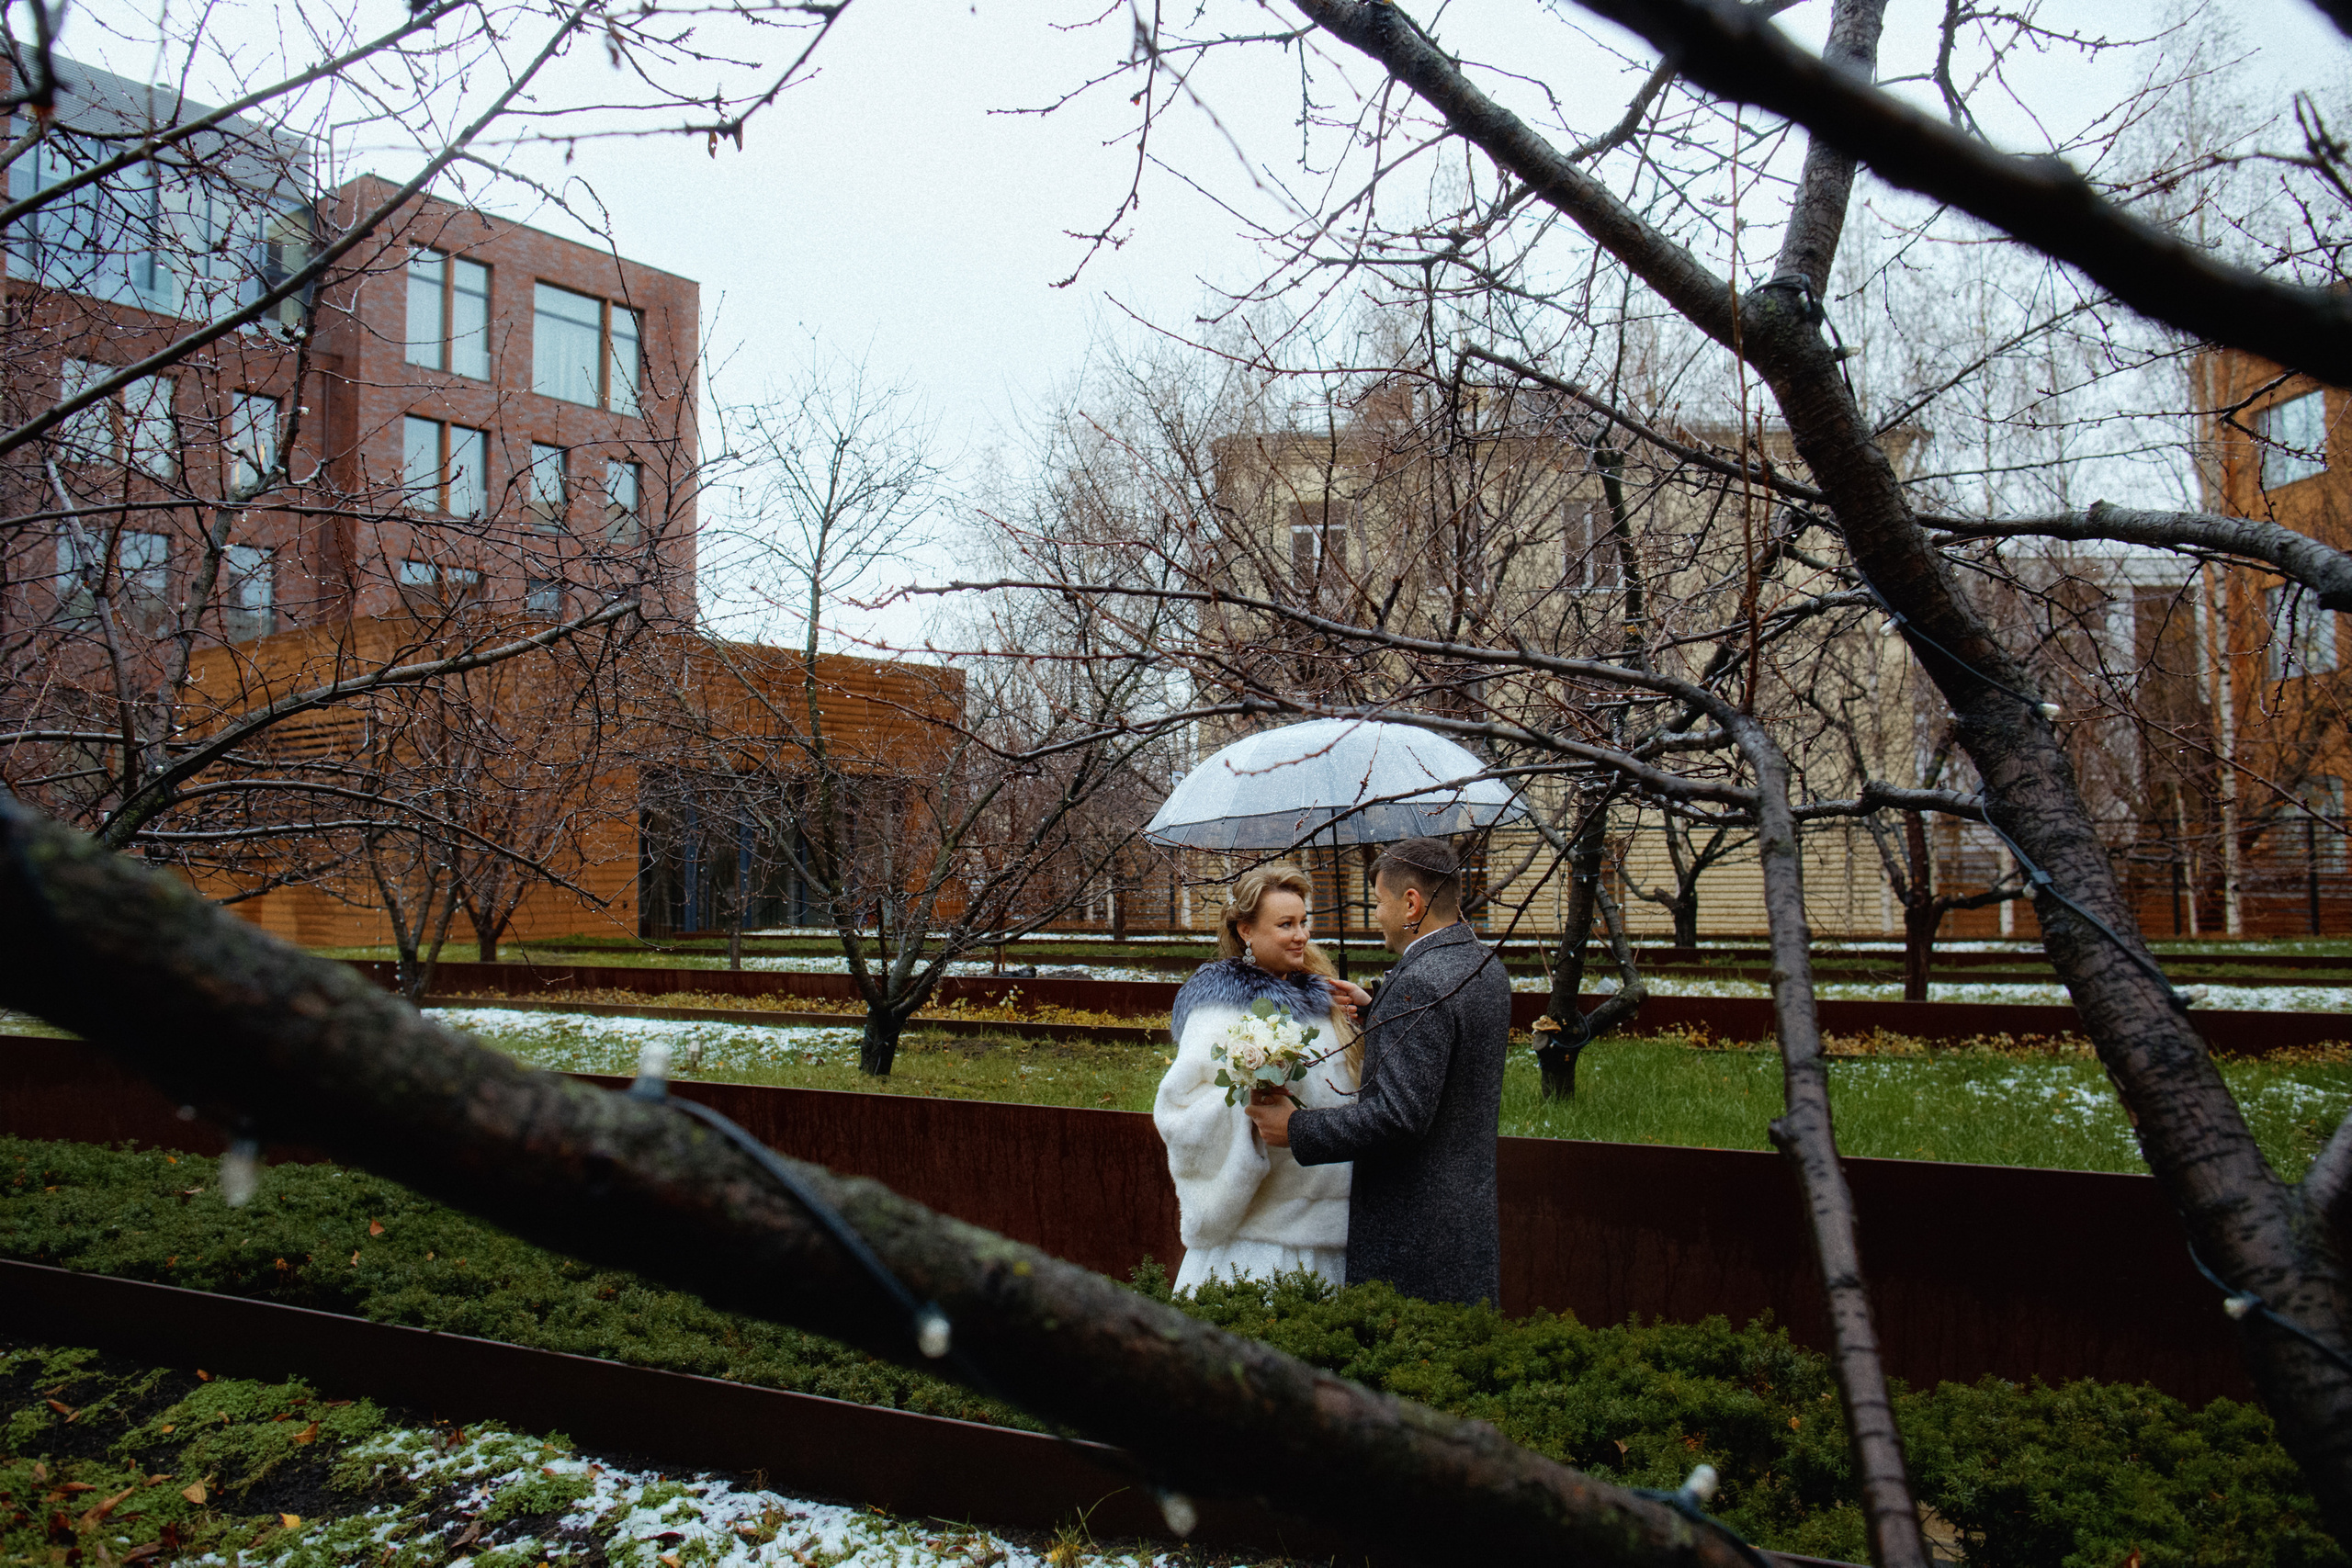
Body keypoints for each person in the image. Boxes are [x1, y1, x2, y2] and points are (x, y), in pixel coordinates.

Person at [1245, 837, 1510, 1306]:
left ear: (1411, 903)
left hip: (1413, 1232)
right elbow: (1449, 1056)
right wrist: (1381, 1014)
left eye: (1379, 903)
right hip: (1465, 1219)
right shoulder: (1482, 965)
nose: (1377, 916)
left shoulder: (1421, 983)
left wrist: (1296, 1128)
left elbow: (1398, 1117)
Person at [1154, 863, 1373, 1292]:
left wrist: (1368, 1018)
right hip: (1261, 1241)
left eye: (1304, 922)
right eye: (1286, 924)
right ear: (1246, 931)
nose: (1301, 935)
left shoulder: (1329, 1000)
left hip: (1334, 1228)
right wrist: (1251, 1101)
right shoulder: (1218, 1009)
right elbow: (1178, 1113)